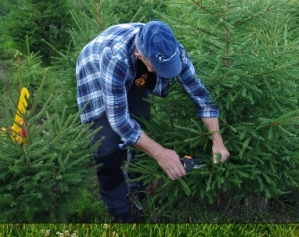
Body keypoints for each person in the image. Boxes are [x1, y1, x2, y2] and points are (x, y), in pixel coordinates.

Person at [76, 20, 230, 222]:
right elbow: (119, 121)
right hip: (96, 70)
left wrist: (217, 141)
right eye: (160, 68)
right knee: (106, 146)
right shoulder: (115, 57)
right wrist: (160, 153)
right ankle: (120, 211)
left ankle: (137, 188)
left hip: (133, 73)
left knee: (142, 123)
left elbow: (201, 97)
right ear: (140, 56)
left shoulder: (172, 50)